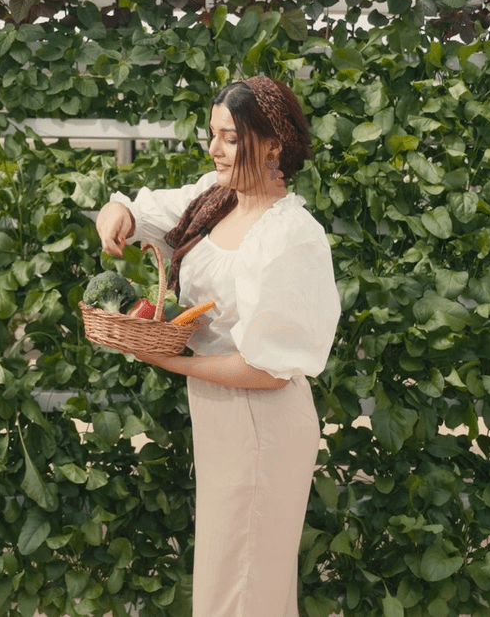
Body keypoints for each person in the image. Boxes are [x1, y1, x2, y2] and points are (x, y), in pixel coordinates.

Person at [94, 75, 341, 617]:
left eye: (230, 138)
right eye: (213, 134)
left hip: (263, 419)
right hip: (219, 411)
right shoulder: (217, 198)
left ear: (273, 144)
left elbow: (268, 370)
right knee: (232, 578)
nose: (214, 148)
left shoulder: (290, 235)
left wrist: (168, 359)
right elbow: (144, 213)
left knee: (243, 588)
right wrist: (117, 214)